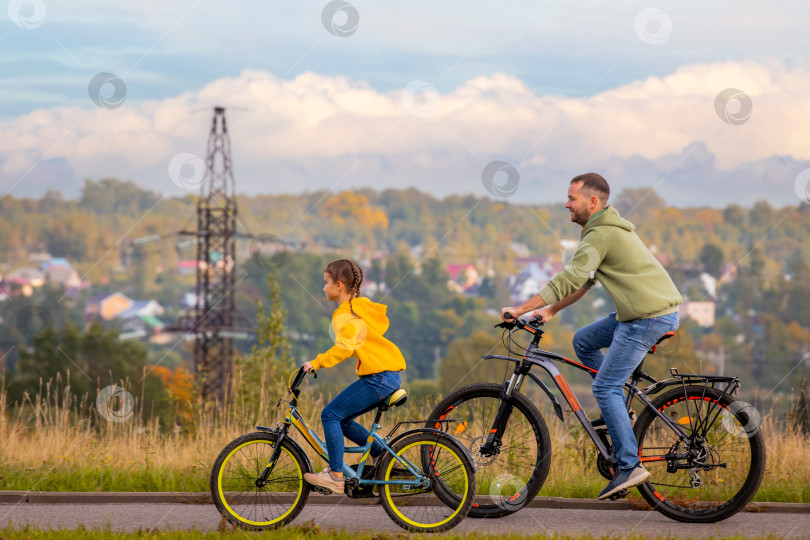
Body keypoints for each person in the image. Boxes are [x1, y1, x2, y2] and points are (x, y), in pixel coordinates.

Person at [501, 173, 682, 500]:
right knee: (584, 341)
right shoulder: (603, 231)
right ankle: (621, 411)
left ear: (593, 202)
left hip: (646, 317)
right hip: (646, 311)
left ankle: (629, 466)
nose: (565, 204)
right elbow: (585, 282)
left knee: (604, 386)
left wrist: (521, 308)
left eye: (572, 198)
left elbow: (570, 276)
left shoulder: (601, 234)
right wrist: (552, 311)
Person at [302, 259, 407, 494]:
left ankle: (335, 475)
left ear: (339, 285)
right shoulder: (360, 306)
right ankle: (383, 459)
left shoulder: (344, 314)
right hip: (388, 375)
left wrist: (316, 363)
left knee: (329, 415)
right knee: (343, 420)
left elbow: (345, 348)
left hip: (379, 378)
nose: (323, 287)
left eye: (326, 282)